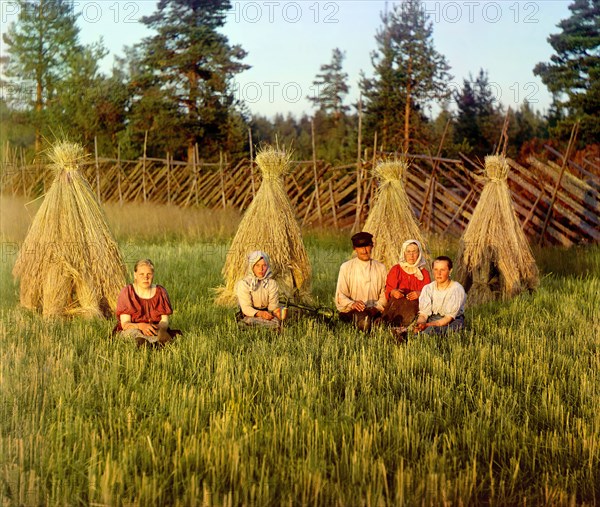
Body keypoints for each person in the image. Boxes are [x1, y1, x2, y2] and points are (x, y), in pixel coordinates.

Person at [115, 259, 179, 346]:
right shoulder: (127, 292)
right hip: (134, 329)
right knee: (133, 334)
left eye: (149, 274)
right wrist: (141, 326)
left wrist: (154, 328)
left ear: (153, 275)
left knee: (162, 335)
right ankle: (143, 343)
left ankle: (155, 344)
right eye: (141, 274)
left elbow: (164, 321)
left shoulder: (161, 292)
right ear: (135, 275)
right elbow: (125, 324)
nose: (146, 277)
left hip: (155, 329)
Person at [335, 231, 387, 331]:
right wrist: (352, 304)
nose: (364, 251)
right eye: (360, 247)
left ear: (372, 246)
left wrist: (376, 307)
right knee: (364, 323)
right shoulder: (346, 267)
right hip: (354, 310)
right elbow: (340, 295)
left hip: (375, 310)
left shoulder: (381, 267)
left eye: (367, 246)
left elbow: (384, 293)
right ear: (355, 249)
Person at [381, 240, 431, 332]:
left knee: (410, 312)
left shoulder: (424, 273)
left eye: (414, 252)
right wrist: (393, 292)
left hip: (415, 307)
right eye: (408, 252)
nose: (411, 256)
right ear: (404, 253)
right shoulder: (396, 269)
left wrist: (420, 294)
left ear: (419, 253)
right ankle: (389, 326)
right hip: (397, 305)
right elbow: (388, 288)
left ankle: (403, 328)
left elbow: (429, 293)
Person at [414, 256, 466, 335]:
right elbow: (423, 315)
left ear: (450, 271)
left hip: (452, 320)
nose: (438, 273)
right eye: (436, 269)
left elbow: (448, 318)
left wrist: (427, 325)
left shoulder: (456, 289)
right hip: (433, 318)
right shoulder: (428, 288)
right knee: (416, 330)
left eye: (442, 270)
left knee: (431, 331)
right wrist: (420, 324)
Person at [236, 250, 283, 329]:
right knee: (247, 323)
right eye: (257, 265)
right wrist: (260, 314)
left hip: (266, 314)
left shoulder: (272, 284)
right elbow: (246, 307)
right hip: (250, 314)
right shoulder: (244, 283)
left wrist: (275, 312)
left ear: (268, 266)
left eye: (264, 265)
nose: (261, 269)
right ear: (252, 266)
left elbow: (272, 306)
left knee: (277, 324)